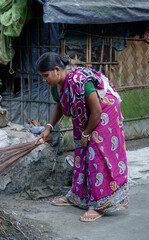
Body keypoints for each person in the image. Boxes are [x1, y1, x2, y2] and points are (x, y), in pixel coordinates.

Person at [35, 52, 129, 222]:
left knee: (96, 155)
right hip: (85, 116)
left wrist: (87, 133)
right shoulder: (56, 86)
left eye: (45, 75)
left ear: (57, 70)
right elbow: (60, 108)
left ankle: (99, 205)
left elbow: (97, 111)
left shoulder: (80, 83)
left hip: (104, 112)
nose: (44, 80)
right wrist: (48, 128)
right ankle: (77, 195)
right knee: (81, 153)